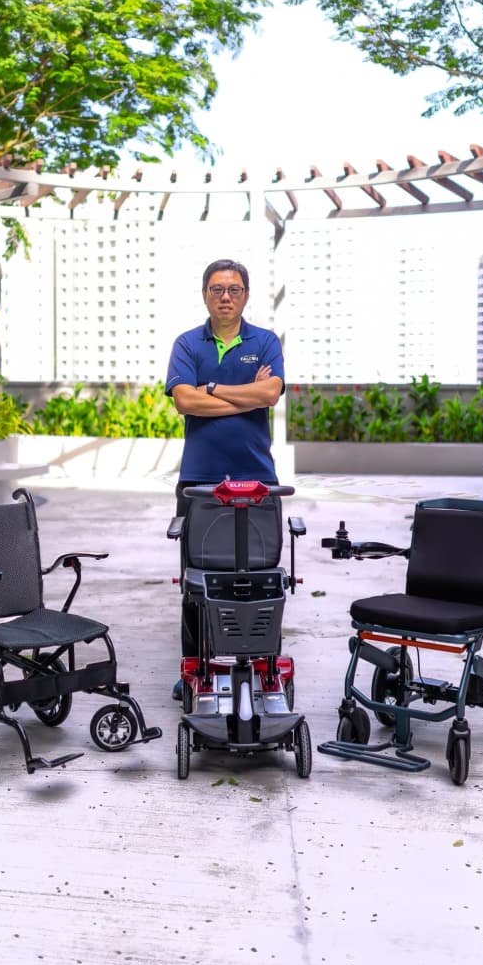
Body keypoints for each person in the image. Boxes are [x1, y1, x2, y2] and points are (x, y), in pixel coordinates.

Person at [164, 258, 285, 697]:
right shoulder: (187, 344)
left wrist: (211, 390)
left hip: (258, 480)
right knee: (196, 580)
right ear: (205, 295)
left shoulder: (266, 342)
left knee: (260, 576)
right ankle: (193, 668)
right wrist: (244, 398)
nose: (226, 297)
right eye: (217, 289)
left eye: (234, 289)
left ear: (246, 296)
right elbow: (184, 402)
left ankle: (259, 662)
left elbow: (270, 393)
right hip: (199, 479)